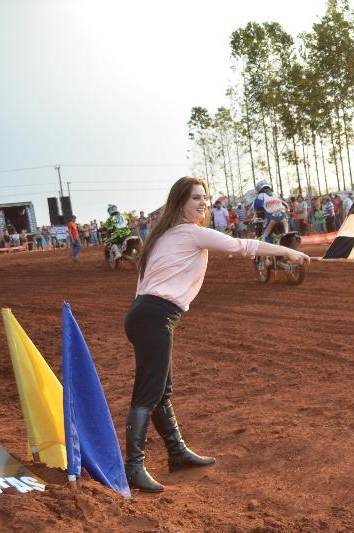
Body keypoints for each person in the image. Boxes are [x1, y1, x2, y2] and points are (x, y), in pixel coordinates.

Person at [123, 176, 309, 493]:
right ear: (179, 202)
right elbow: (241, 246)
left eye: (205, 198)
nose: (203, 203)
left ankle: (177, 453)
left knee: (160, 391)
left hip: (146, 314)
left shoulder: (163, 235)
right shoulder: (190, 234)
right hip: (155, 316)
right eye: (196, 198)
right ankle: (133, 468)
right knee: (148, 394)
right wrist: (285, 252)